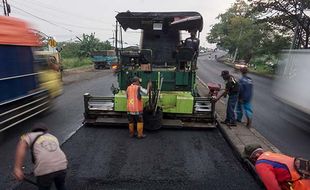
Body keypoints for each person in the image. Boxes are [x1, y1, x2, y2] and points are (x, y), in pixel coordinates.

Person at [14, 123, 68, 190]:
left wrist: (17, 168)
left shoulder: (29, 135)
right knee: (61, 186)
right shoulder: (52, 136)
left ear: (33, 131)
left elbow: (21, 146)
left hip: (45, 167)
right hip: (62, 165)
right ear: (45, 131)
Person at [244, 144, 310, 190]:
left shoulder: (260, 164)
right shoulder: (270, 155)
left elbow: (273, 187)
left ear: (255, 155)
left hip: (302, 185)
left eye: (250, 158)